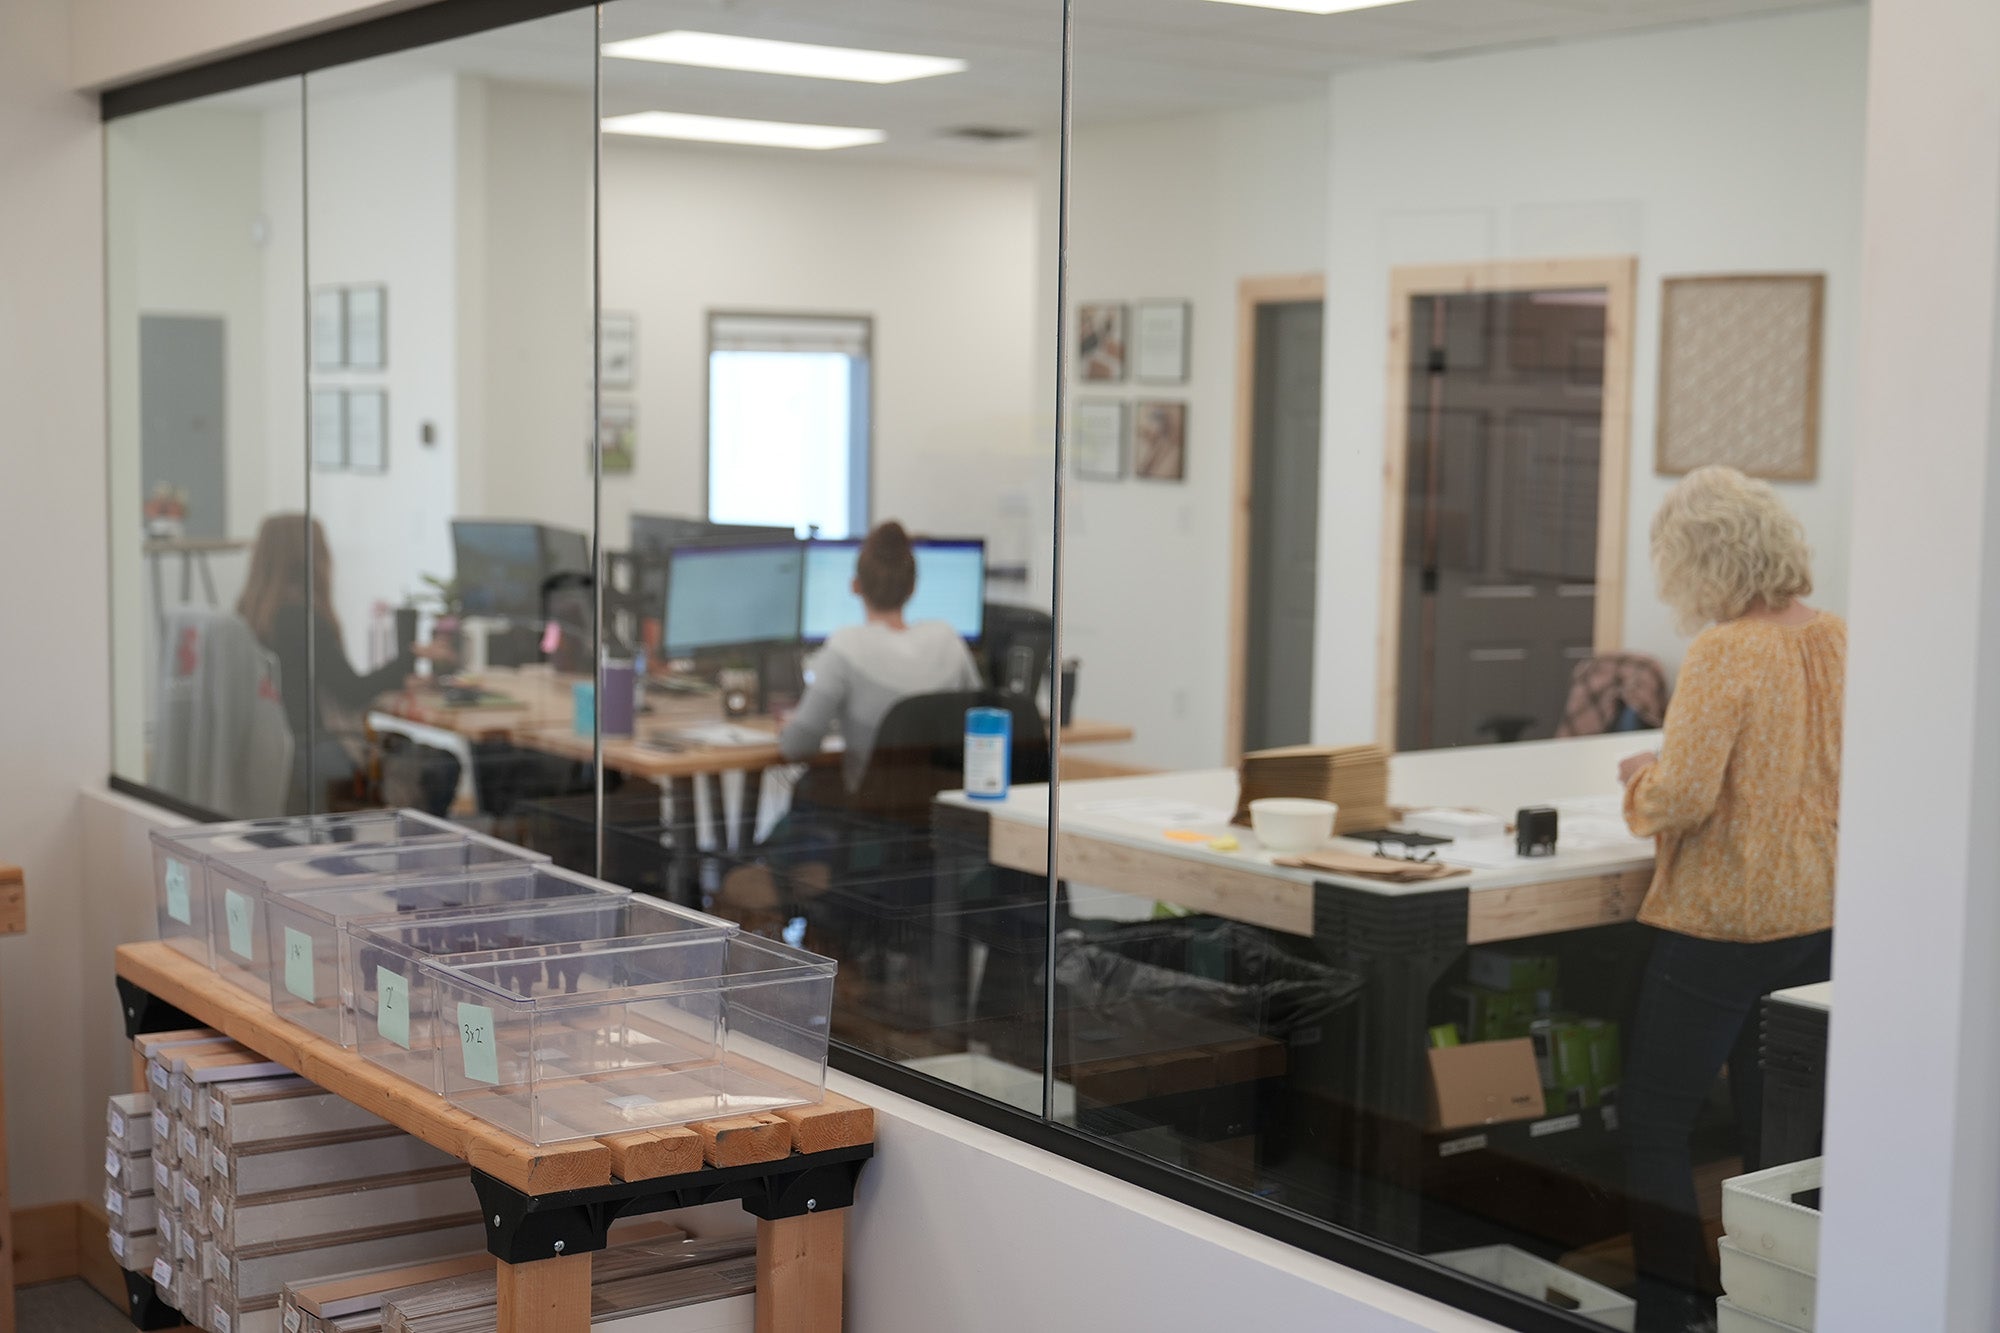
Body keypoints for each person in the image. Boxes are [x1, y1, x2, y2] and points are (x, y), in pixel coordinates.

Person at [1616, 467, 1842, 1328]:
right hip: (1819, 912)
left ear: (1702, 561)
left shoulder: (1724, 649)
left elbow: (1684, 799)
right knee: (1774, 1133)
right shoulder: (1840, 638)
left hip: (1727, 917)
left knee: (1653, 1121)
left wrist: (1640, 781)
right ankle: (1768, 1304)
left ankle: (1671, 1313)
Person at [236, 513, 441, 811]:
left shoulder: (250, 615)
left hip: (276, 751)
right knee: (441, 765)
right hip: (315, 750)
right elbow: (352, 692)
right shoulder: (301, 620)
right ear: (311, 559)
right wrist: (410, 659)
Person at [779, 520, 981, 790]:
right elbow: (981, 726)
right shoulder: (948, 640)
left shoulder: (846, 645)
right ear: (913, 587)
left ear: (855, 586)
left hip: (875, 819)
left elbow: (797, 747)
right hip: (942, 816)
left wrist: (794, 722)